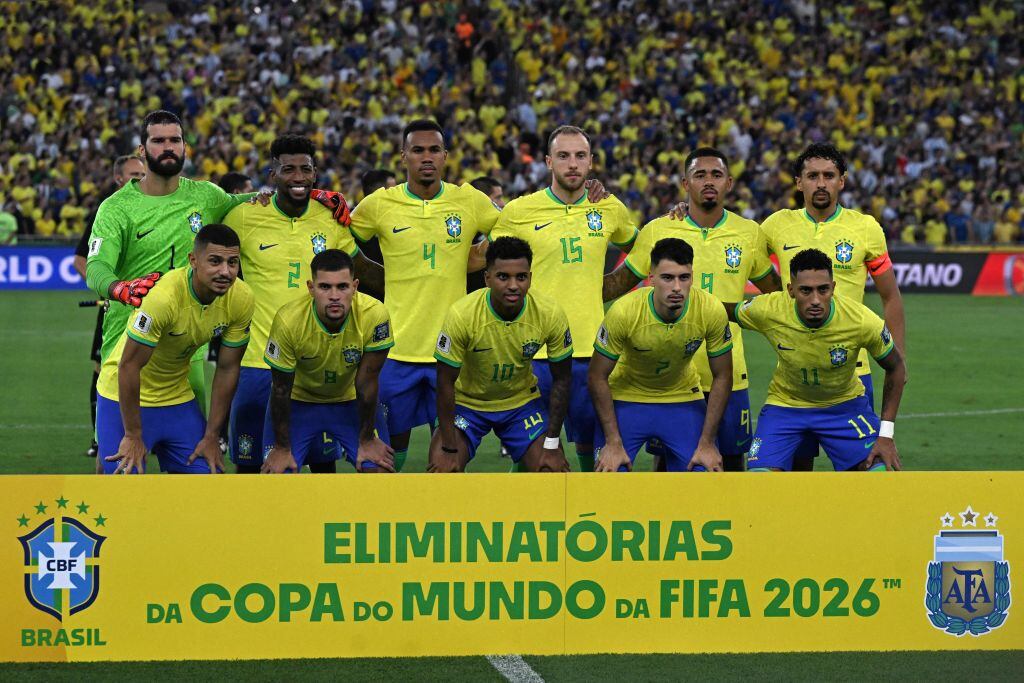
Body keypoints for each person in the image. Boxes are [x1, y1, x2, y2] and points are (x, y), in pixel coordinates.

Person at [602, 148, 780, 471]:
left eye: (716, 175)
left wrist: (744, 312)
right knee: (669, 464)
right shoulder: (659, 230)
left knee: (729, 463)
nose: (708, 181)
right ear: (686, 183)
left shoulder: (749, 233)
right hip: (670, 376)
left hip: (727, 369)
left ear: (729, 183)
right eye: (700, 175)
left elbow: (777, 296)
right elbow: (618, 283)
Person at [223, 134, 385, 473]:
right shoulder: (242, 217)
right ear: (273, 174)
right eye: (288, 169)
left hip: (313, 366)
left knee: (320, 466)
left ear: (315, 174)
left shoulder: (330, 218)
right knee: (252, 469)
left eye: (305, 169)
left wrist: (416, 282)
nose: (298, 177)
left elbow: (361, 271)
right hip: (256, 362)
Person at [349, 119, 502, 470]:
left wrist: (475, 256)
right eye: (418, 150)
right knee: (381, 460)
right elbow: (339, 231)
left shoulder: (468, 199)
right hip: (395, 350)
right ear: (404, 156)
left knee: (448, 460)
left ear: (445, 155)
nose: (426, 157)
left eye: (434, 149)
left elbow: (511, 225)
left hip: (450, 351)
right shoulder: (380, 203)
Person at [491, 125, 637, 471]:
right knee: (534, 453)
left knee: (593, 451)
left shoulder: (609, 208)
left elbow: (642, 250)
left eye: (580, 156)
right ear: (548, 162)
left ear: (591, 162)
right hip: (534, 353)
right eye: (563, 156)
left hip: (592, 352)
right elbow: (492, 266)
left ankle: (589, 504)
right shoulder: (520, 211)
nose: (573, 164)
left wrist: (608, 287)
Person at [760, 143, 906, 469]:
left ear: (842, 181)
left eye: (829, 175)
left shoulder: (865, 228)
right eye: (813, 176)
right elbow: (740, 248)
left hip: (853, 372)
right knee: (796, 472)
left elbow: (891, 296)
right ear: (799, 182)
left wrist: (897, 356)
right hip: (796, 373)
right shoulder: (776, 226)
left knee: (862, 470)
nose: (821, 183)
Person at [725, 249, 907, 472]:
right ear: (791, 291)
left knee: (879, 473)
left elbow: (896, 367)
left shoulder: (861, 320)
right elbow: (725, 311)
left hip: (844, 407)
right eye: (805, 290)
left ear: (833, 287)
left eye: (823, 289)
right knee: (760, 479)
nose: (815, 300)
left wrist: (886, 435)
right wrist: (693, 304)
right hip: (785, 407)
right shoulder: (769, 309)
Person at [96, 224, 254, 474]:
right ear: (193, 260)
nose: (225, 271)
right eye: (215, 261)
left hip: (176, 399)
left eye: (232, 263)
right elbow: (129, 366)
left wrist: (212, 436)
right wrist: (133, 435)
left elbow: (228, 368)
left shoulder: (242, 298)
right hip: (122, 397)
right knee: (122, 488)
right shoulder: (163, 298)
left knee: (208, 480)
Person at [430, 237, 573, 473]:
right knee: (442, 471)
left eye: (521, 277)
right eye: (503, 277)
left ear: (530, 277)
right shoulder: (462, 315)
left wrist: (551, 444)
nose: (513, 285)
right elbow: (444, 382)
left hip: (520, 403)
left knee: (551, 471)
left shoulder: (550, 313)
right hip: (467, 404)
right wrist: (448, 447)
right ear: (487, 278)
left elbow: (563, 379)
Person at [590, 238, 733, 472]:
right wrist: (613, 442)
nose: (676, 287)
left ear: (692, 278)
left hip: (682, 397)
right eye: (667, 278)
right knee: (609, 473)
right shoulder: (624, 312)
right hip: (626, 397)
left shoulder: (710, 309)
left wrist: (707, 443)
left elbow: (723, 375)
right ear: (651, 278)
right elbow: (597, 375)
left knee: (704, 471)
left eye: (684, 277)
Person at [261, 249, 395, 474]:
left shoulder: (375, 314)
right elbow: (281, 389)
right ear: (311, 288)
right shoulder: (288, 321)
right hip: (298, 402)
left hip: (350, 402)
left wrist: (367, 439)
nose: (334, 296)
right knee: (277, 475)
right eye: (325, 287)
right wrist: (282, 448)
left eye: (342, 287)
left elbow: (367, 383)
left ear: (355, 286)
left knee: (379, 470)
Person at [72, 154, 146, 461]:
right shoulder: (107, 210)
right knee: (103, 369)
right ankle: (100, 437)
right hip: (116, 306)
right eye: (133, 175)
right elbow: (81, 260)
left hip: (147, 308)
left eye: (142, 174)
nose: (140, 179)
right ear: (118, 178)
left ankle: (143, 434)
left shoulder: (151, 207)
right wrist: (109, 287)